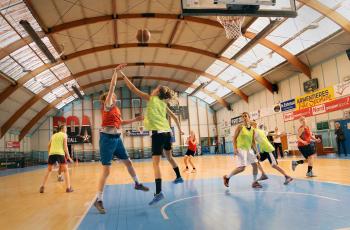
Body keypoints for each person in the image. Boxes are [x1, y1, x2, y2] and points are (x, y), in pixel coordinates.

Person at [121, 71, 185, 205]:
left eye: (156, 88)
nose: (154, 89)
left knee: (156, 163)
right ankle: (179, 177)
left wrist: (122, 74)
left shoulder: (151, 98)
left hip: (159, 134)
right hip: (168, 133)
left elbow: (133, 88)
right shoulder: (163, 103)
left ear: (157, 92)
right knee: (169, 157)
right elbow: (173, 117)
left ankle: (158, 192)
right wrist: (180, 129)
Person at [94, 64, 149, 214]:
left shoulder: (116, 110)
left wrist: (135, 119)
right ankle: (98, 200)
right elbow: (112, 87)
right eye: (112, 95)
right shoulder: (107, 106)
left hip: (117, 139)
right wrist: (115, 72)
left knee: (128, 162)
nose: (114, 95)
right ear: (108, 98)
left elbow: (121, 123)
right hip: (106, 140)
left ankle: (137, 183)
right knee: (106, 171)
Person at [223, 112, 262, 189]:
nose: (244, 117)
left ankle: (254, 182)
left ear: (249, 117)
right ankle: (227, 177)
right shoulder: (240, 127)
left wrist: (257, 152)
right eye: (243, 116)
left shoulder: (252, 129)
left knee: (255, 164)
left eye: (246, 116)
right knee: (242, 168)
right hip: (241, 149)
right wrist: (234, 148)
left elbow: (253, 141)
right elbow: (234, 138)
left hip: (249, 149)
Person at [39, 124, 74, 193]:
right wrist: (69, 157)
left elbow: (48, 145)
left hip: (52, 154)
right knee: (66, 170)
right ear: (62, 129)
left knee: (49, 170)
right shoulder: (64, 135)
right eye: (65, 128)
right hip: (60, 153)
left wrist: (49, 154)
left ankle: (42, 186)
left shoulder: (53, 135)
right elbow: (65, 147)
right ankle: (68, 188)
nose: (66, 130)